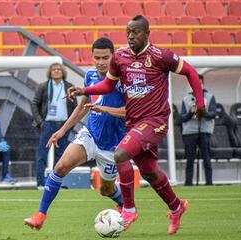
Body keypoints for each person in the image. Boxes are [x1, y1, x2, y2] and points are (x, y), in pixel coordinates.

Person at [68, 15, 206, 235]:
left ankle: (128, 210)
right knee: (150, 173)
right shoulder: (120, 56)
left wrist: (200, 103)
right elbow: (106, 85)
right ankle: (176, 207)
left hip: (155, 120)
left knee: (120, 154)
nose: (131, 36)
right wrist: (84, 90)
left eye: (135, 32)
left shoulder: (161, 56)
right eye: (128, 32)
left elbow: (190, 72)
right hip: (134, 123)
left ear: (147, 33)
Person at [23, 37, 125, 231]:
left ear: (113, 56)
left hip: (113, 145)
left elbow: (132, 111)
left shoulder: (123, 79)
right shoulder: (91, 75)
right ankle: (40, 215)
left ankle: (121, 203)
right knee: (61, 166)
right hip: (91, 134)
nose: (101, 62)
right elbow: (82, 107)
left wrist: (105, 110)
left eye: (105, 57)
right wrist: (62, 131)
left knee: (106, 189)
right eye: (97, 58)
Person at [31, 63, 78, 188]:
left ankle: (55, 183)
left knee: (61, 156)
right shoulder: (43, 87)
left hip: (63, 125)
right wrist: (40, 122)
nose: (56, 71)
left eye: (59, 69)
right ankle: (40, 183)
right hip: (47, 124)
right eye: (54, 69)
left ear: (63, 72)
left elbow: (75, 107)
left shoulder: (69, 87)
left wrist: (69, 125)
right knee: (42, 154)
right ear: (50, 72)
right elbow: (34, 104)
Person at [181, 74, 216, 186]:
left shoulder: (210, 97)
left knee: (207, 158)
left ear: (203, 83)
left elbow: (213, 114)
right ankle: (188, 184)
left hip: (205, 131)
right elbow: (182, 118)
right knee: (190, 160)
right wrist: (191, 112)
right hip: (190, 132)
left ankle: (209, 183)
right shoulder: (186, 99)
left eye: (199, 83)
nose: (197, 85)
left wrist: (202, 112)